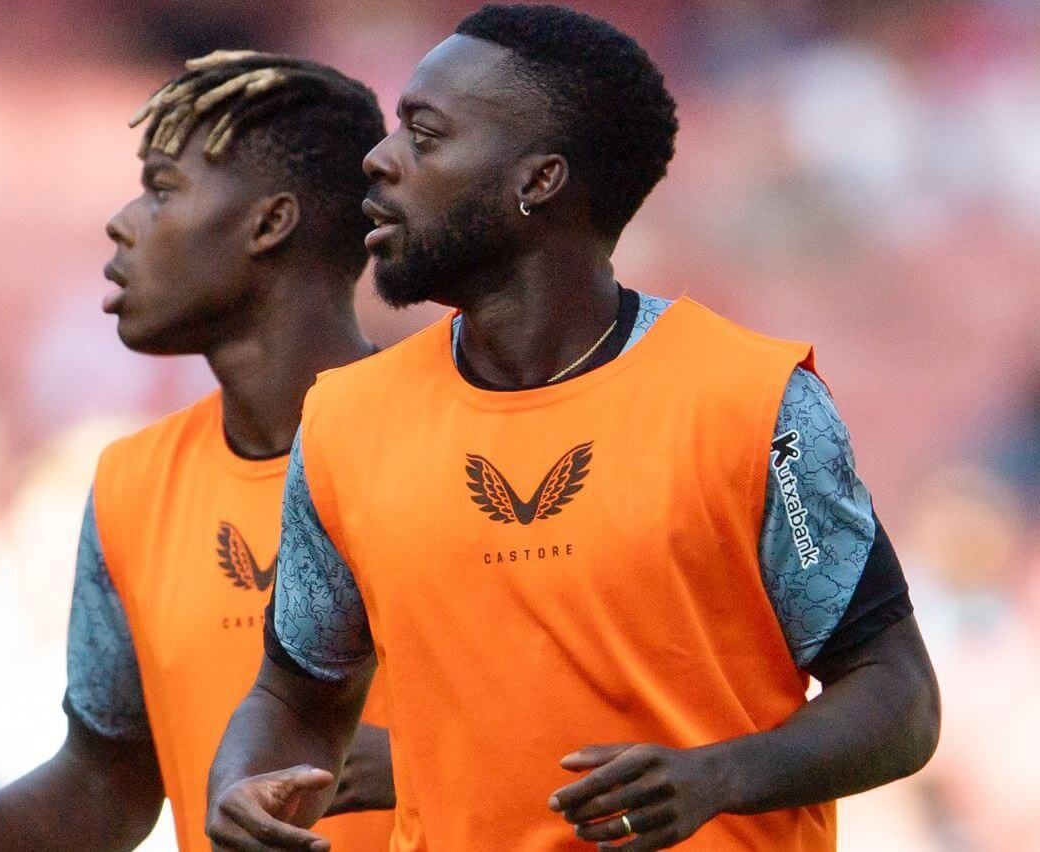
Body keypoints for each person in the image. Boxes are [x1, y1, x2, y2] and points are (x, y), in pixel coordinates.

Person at [206, 6, 940, 851]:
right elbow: (294, 696)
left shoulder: (753, 402)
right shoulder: (344, 420)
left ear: (539, 181)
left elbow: (899, 697)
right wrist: (239, 786)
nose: (378, 159)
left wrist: (720, 775)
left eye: (426, 134)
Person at [0, 50, 395, 851]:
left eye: (162, 189)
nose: (122, 220)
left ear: (269, 222)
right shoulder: (133, 481)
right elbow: (106, 781)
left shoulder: (439, 437)